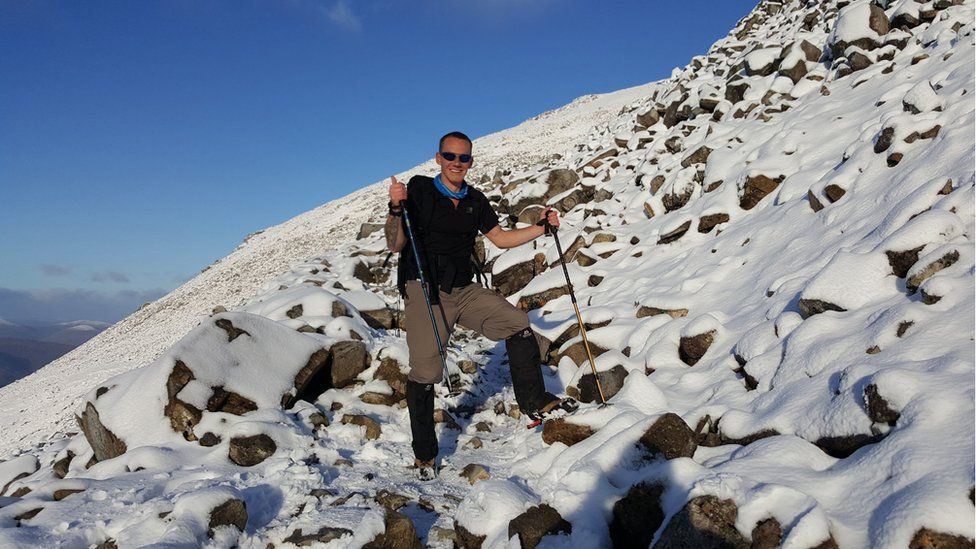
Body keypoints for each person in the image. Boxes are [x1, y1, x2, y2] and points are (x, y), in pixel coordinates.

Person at [385, 131, 576, 480]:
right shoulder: (421, 190)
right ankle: (425, 454)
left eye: (464, 158)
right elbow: (396, 243)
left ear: (471, 161)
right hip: (425, 289)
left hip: (464, 289)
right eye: (451, 156)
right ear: (439, 158)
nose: (457, 163)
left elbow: (500, 238)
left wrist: (541, 229)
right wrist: (396, 207)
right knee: (426, 372)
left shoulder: (475, 200)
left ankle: (534, 402)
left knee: (517, 323)